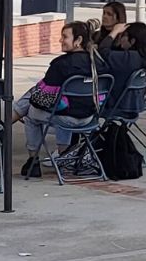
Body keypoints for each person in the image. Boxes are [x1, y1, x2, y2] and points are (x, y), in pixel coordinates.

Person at [16, 19, 103, 178]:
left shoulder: (60, 64)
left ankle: (33, 160)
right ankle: (64, 157)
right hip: (89, 118)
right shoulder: (98, 62)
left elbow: (43, 97)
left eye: (64, 37)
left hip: (66, 117)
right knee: (62, 105)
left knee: (31, 114)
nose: (60, 40)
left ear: (78, 41)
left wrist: (33, 100)